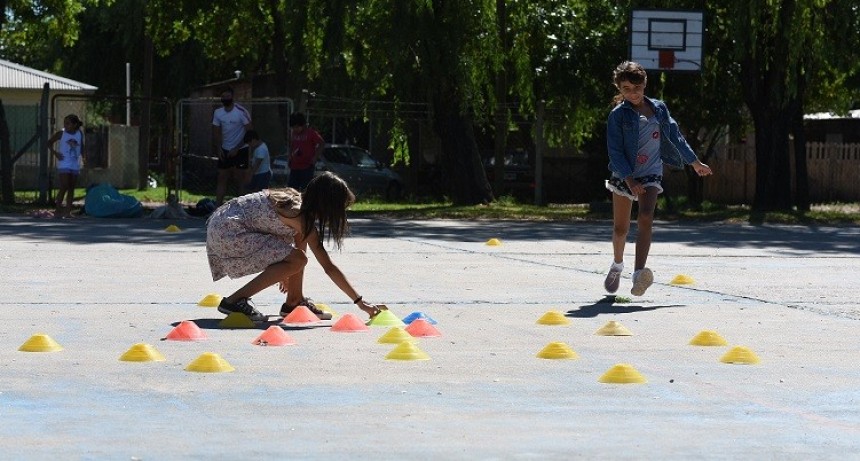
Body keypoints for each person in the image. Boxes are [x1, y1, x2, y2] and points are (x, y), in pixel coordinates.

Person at [206, 171, 384, 321]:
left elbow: (298, 249)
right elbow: (328, 267)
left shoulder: (296, 202)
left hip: (222, 227)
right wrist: (360, 303)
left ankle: (294, 301)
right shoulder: (298, 214)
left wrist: (286, 271)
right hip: (229, 232)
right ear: (327, 205)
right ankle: (234, 301)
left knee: (297, 256)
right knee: (298, 259)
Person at [603, 61, 713, 296]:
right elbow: (615, 150)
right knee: (621, 228)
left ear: (644, 84)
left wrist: (694, 162)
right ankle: (617, 265)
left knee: (645, 216)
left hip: (651, 171)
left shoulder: (659, 109)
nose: (632, 93)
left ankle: (638, 274)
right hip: (626, 173)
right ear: (619, 89)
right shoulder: (617, 116)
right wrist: (629, 179)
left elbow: (675, 136)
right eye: (626, 89)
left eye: (637, 87)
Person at [212, 87, 252, 206]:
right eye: (223, 97)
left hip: (241, 150)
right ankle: (217, 208)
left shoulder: (241, 112)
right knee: (222, 177)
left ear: (233, 97)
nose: (225, 99)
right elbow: (216, 131)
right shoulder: (218, 113)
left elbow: (249, 132)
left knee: (240, 179)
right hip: (225, 149)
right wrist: (219, 148)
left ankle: (242, 209)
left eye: (228, 96)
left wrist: (237, 148)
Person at [48, 114, 84, 218]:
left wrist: (84, 157)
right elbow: (49, 143)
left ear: (75, 124)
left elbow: (82, 146)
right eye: (64, 123)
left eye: (68, 123)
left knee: (72, 187)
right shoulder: (61, 134)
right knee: (64, 185)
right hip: (64, 162)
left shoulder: (79, 133)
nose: (65, 125)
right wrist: (55, 153)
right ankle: (58, 209)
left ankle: (68, 211)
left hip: (75, 163)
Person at [287, 112, 324, 190]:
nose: (295, 129)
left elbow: (321, 143)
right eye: (293, 127)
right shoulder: (293, 133)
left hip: (307, 166)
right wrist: (290, 156)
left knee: (306, 189)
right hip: (295, 166)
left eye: (297, 127)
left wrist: (315, 158)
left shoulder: (311, 133)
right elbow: (292, 145)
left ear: (302, 125)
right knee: (291, 189)